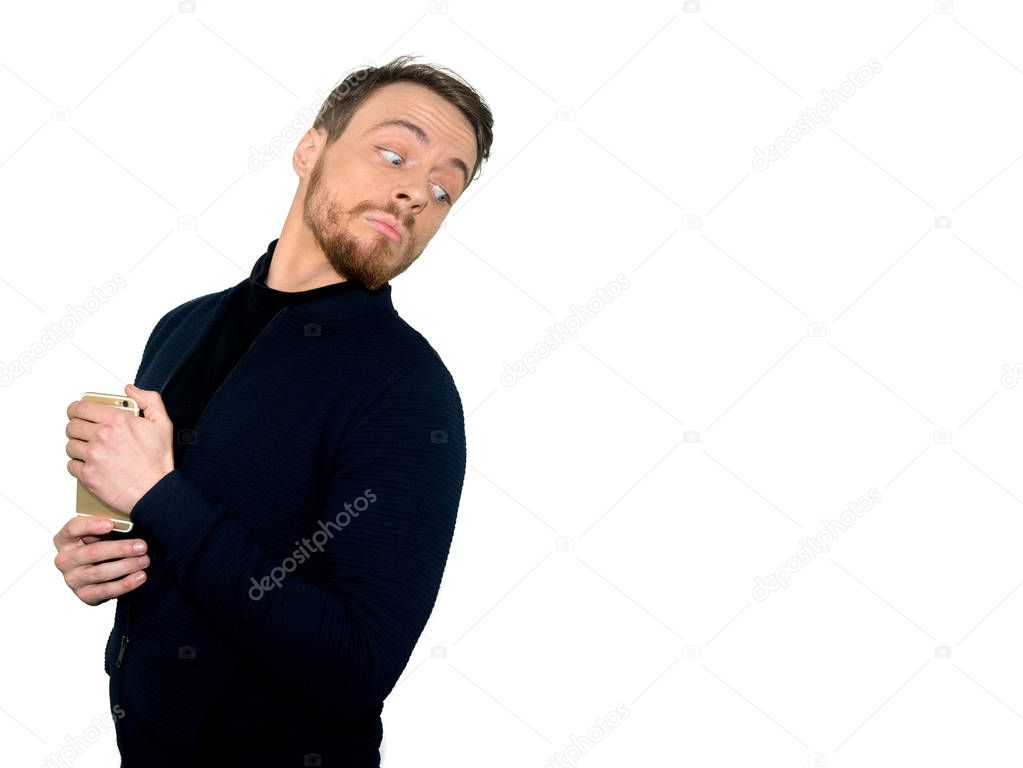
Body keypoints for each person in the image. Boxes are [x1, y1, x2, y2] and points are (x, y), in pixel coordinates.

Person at [53, 54, 494, 766]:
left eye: (445, 188)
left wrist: (157, 494)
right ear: (310, 148)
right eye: (393, 153)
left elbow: (357, 665)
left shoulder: (408, 390)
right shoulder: (182, 327)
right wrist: (100, 560)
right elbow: (174, 542)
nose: (417, 190)